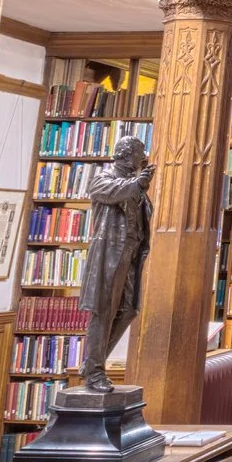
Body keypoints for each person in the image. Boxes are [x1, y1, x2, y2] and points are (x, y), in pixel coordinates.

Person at [78, 135, 154, 392]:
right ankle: (95, 372)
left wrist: (140, 185)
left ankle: (92, 363)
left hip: (131, 253)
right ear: (127, 154)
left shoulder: (134, 183)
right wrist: (138, 183)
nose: (143, 158)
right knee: (104, 310)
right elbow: (112, 192)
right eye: (140, 153)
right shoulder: (104, 177)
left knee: (129, 309)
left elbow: (142, 210)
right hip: (110, 252)